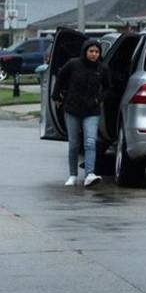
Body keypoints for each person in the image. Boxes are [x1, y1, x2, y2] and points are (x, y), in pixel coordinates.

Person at [51, 38, 111, 187]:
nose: (94, 54)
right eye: (91, 51)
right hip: (72, 109)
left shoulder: (102, 69)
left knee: (90, 142)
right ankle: (72, 175)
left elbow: (108, 88)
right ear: (85, 51)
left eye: (97, 52)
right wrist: (56, 95)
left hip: (92, 111)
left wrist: (99, 99)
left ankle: (89, 174)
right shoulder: (73, 64)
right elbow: (60, 77)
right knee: (74, 144)